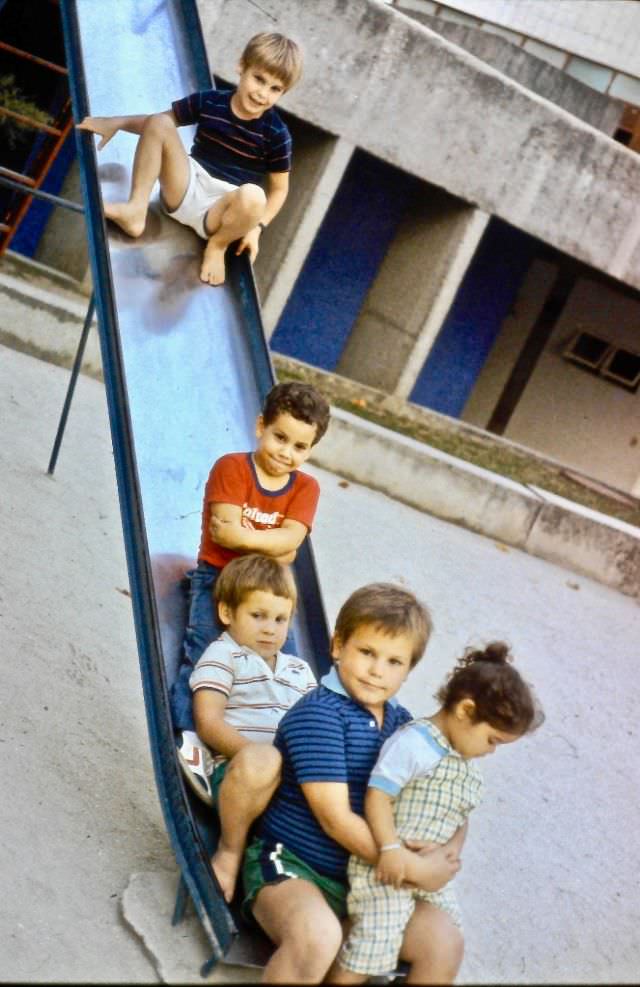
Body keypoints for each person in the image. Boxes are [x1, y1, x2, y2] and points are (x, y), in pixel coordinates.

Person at [241, 583, 466, 984]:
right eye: (367, 653)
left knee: (442, 939)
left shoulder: (402, 723)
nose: (378, 670)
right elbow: (335, 819)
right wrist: (411, 867)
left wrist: (443, 853)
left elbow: (440, 789)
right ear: (338, 646)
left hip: (361, 881)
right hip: (293, 869)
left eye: (395, 661)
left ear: (408, 670)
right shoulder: (321, 716)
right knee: (317, 936)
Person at [329, 641, 544, 985]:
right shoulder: (415, 743)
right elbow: (378, 796)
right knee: (373, 943)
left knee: (449, 937)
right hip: (388, 869)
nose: (491, 752)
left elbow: (462, 815)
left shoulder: (466, 763)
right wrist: (389, 849)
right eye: (492, 741)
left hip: (431, 874)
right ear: (465, 711)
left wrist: (452, 849)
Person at [171, 380, 329, 802]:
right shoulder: (232, 468)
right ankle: (193, 741)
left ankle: (287, 753)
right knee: (203, 650)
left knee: (288, 665)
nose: (285, 452)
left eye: (299, 446)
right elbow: (228, 535)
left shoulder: (306, 488)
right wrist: (277, 542)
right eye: (279, 437)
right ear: (261, 426)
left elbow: (281, 541)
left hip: (269, 592)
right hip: (219, 578)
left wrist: (247, 535)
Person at [77, 32, 302, 285]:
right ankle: (135, 210)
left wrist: (257, 227)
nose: (262, 93)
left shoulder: (276, 134)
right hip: (186, 185)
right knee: (161, 122)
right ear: (242, 66)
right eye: (258, 79)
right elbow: (155, 124)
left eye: (275, 89)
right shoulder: (210, 102)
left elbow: (280, 190)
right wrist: (115, 123)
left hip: (222, 210)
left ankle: (216, 247)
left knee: (255, 196)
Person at [189, 553, 316, 904]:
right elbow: (209, 721)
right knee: (264, 761)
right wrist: (256, 755)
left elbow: (313, 723)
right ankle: (229, 852)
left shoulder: (300, 670)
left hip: (290, 778)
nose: (270, 628)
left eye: (280, 619)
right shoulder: (224, 655)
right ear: (227, 613)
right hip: (239, 770)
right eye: (257, 616)